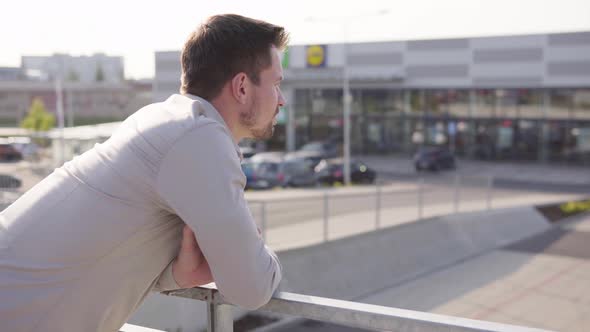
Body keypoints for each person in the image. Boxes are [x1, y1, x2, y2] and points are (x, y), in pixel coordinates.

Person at [0, 14, 288, 332]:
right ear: (242, 86)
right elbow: (252, 288)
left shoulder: (166, 121)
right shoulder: (198, 139)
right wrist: (260, 254)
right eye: (276, 84)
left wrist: (176, 276)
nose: (282, 100)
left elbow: (96, 253)